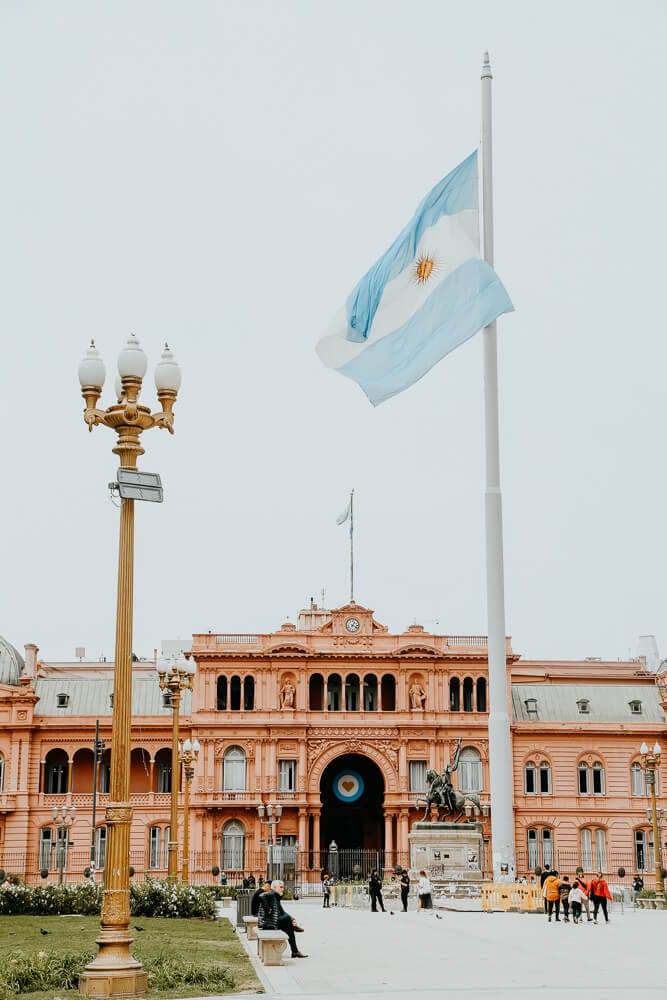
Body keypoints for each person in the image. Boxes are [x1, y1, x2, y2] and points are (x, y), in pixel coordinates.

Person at [257, 879, 307, 958]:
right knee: (287, 920)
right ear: (274, 888)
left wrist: (292, 919)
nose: (282, 889)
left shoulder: (276, 897)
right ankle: (295, 950)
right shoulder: (271, 893)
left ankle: (295, 951)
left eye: (283, 887)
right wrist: (268, 909)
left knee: (289, 928)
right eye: (280, 887)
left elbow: (282, 911)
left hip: (274, 922)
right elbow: (261, 896)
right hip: (268, 923)